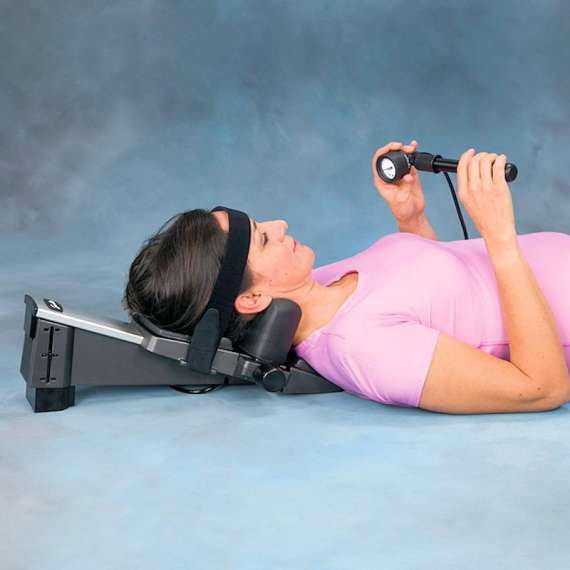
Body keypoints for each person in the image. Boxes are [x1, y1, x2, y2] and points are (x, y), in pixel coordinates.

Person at [123, 141, 570, 414]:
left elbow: (445, 305)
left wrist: (411, 219)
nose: (279, 224)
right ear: (252, 299)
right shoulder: (362, 348)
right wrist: (500, 236)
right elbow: (540, 388)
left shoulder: (319, 283)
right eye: (263, 239)